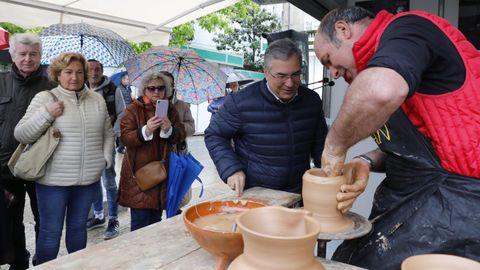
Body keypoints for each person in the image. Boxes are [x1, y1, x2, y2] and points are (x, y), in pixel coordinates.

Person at [313, 7, 480, 269]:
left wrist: (334, 146)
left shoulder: (408, 29)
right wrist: (366, 160)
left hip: (459, 206)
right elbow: (417, 150)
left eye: (328, 60)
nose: (332, 73)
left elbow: (381, 90)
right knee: (350, 258)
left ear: (343, 30)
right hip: (420, 196)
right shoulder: (388, 64)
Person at [14, 52, 114, 264]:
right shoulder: (45, 98)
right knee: (51, 233)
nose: (74, 78)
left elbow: (107, 133)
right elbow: (21, 134)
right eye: (68, 72)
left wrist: (106, 159)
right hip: (53, 183)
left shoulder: (97, 100)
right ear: (58, 74)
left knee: (78, 229)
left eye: (79, 72)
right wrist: (47, 114)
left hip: (88, 181)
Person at [204, 38, 328, 197]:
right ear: (266, 71)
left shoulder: (312, 101)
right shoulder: (240, 102)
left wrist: (328, 173)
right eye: (281, 76)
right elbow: (214, 135)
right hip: (258, 195)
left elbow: (321, 145)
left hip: (300, 194)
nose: (290, 83)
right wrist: (231, 169)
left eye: (295, 74)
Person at [0, 33, 56, 269]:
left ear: (40, 56)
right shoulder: (0, 81)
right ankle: (18, 261)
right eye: (22, 54)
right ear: (12, 55)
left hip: (41, 166)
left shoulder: (52, 86)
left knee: (44, 219)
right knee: (11, 220)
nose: (27, 59)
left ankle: (43, 262)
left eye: (33, 54)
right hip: (4, 166)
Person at [118, 72, 186, 231]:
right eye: (151, 88)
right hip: (139, 175)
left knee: (156, 222)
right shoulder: (133, 110)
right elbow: (125, 137)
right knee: (139, 223)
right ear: (144, 90)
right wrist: (146, 130)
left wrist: (170, 130)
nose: (156, 92)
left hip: (162, 175)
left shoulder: (170, 110)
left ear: (166, 91)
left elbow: (181, 134)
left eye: (160, 88)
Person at [86, 59, 125, 240]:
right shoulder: (81, 89)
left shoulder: (113, 90)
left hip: (106, 142)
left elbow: (122, 113)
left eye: (96, 70)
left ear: (102, 71)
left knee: (108, 180)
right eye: (89, 70)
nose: (93, 73)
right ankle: (99, 215)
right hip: (87, 143)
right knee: (92, 180)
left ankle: (113, 219)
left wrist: (113, 132)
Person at [160, 70, 195, 209]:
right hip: (159, 156)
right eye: (163, 84)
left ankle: (175, 211)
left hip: (177, 155)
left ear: (174, 86)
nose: (166, 88)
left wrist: (175, 128)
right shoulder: (152, 104)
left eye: (169, 84)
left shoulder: (182, 105)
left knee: (179, 194)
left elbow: (191, 127)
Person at [114, 71, 133, 154]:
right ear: (121, 80)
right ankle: (120, 147)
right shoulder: (119, 88)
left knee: (126, 129)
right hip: (122, 112)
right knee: (122, 130)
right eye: (125, 79)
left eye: (128, 79)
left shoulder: (128, 88)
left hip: (128, 112)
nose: (127, 80)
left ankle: (123, 145)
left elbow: (130, 100)